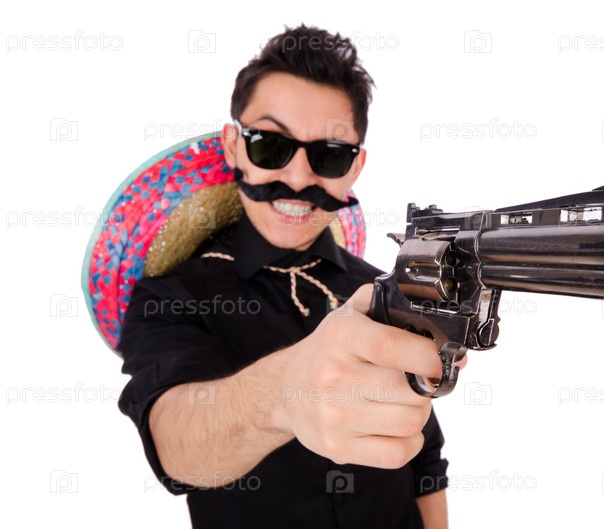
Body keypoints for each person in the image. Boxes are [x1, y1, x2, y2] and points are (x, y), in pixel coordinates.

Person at [116, 24, 452, 528]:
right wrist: (285, 394)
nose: (297, 179)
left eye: (330, 154)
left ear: (355, 167)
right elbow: (175, 445)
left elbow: (425, 452)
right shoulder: (169, 296)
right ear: (233, 145)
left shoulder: (382, 288)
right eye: (271, 145)